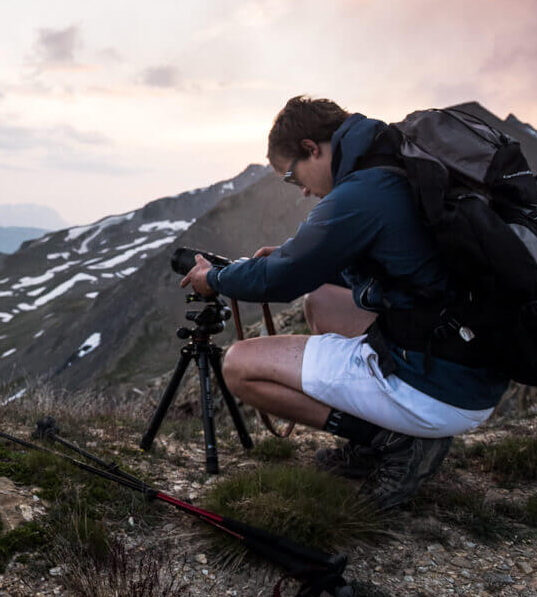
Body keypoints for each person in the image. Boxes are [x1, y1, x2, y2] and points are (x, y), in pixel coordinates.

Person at [179, 96, 509, 509]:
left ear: (311, 148)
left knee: (239, 365)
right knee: (322, 300)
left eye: (290, 175)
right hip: (474, 369)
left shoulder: (360, 194)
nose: (300, 188)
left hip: (438, 387)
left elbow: (279, 282)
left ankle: (394, 443)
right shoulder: (392, 163)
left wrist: (214, 278)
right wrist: (296, 254)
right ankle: (389, 430)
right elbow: (388, 256)